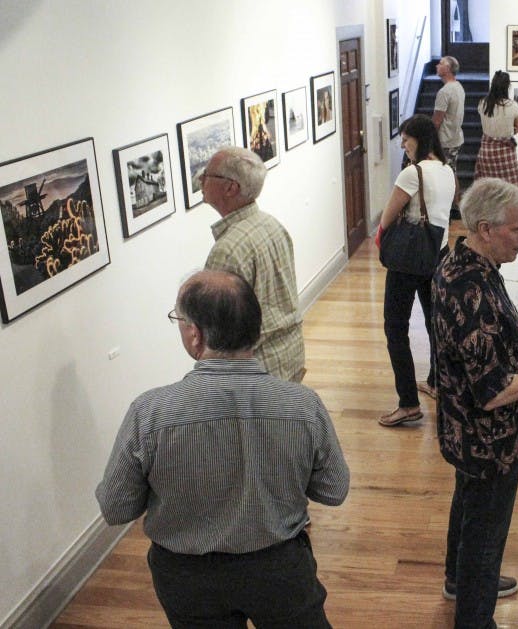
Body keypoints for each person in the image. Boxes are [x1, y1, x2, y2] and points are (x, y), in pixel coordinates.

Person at [96, 270, 350, 628]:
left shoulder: (149, 412)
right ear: (256, 330)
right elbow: (334, 490)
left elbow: (116, 507)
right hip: (280, 571)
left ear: (195, 334)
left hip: (186, 578)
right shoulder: (302, 405)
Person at [432, 178, 518, 628]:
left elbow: (470, 343)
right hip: (488, 439)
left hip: (463, 432)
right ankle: (474, 617)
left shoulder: (462, 262)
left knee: (469, 504)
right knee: (486, 533)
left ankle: (458, 581)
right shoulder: (470, 290)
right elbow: (492, 392)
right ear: (485, 228)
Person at [376, 115, 456, 427]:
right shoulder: (447, 170)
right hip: (438, 253)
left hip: (408, 259)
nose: (402, 145)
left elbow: (387, 217)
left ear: (418, 140)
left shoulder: (413, 173)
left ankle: (408, 402)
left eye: (405, 139)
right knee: (436, 321)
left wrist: (381, 240)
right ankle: (436, 381)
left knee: (395, 328)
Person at [201, 146, 305, 382]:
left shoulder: (227, 251)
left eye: (208, 174)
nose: (201, 180)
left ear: (231, 187)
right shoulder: (272, 225)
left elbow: (219, 331)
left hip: (257, 371)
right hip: (290, 354)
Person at [474, 70, 518, 186]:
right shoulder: (512, 106)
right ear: (508, 86)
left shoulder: (483, 104)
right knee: (510, 188)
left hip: (487, 152)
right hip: (506, 153)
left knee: (488, 188)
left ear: (493, 84)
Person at [433, 56, 466, 174]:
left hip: (445, 141)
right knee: (451, 172)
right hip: (455, 138)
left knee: (445, 175)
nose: (437, 66)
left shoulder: (444, 92)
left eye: (440, 64)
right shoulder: (459, 86)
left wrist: (430, 139)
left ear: (447, 68)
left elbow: (437, 121)